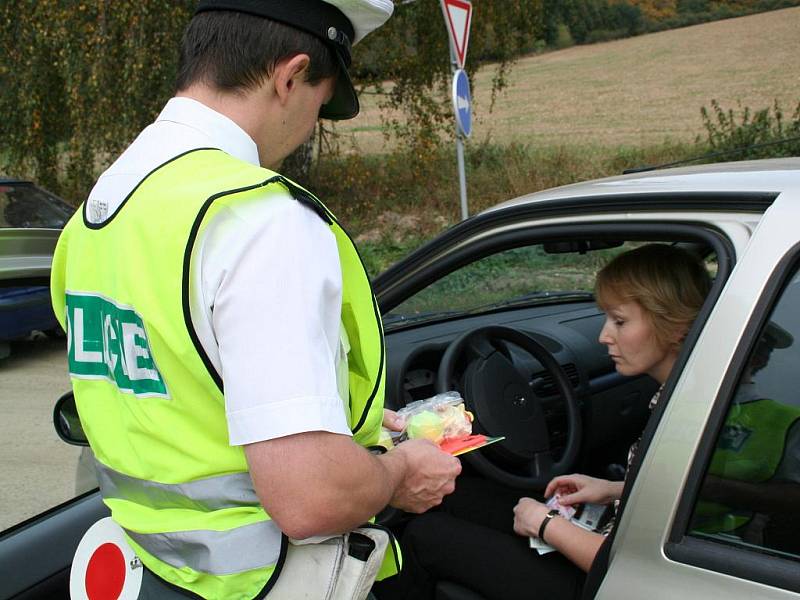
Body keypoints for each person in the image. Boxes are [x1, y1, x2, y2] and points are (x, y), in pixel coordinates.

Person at [50, 2, 461, 598]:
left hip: (155, 570)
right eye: (320, 105)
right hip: (272, 582)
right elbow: (311, 498)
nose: (309, 127)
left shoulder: (100, 212)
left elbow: (183, 391)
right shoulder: (259, 220)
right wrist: (399, 471)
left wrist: (341, 426)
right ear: (290, 77)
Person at [375, 243, 712, 600]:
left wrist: (546, 525)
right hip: (617, 531)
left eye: (620, 321)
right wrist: (614, 488)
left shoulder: (696, 422)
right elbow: (683, 500)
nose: (603, 336)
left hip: (604, 581)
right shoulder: (687, 398)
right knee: (453, 495)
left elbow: (641, 571)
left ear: (674, 324)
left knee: (422, 536)